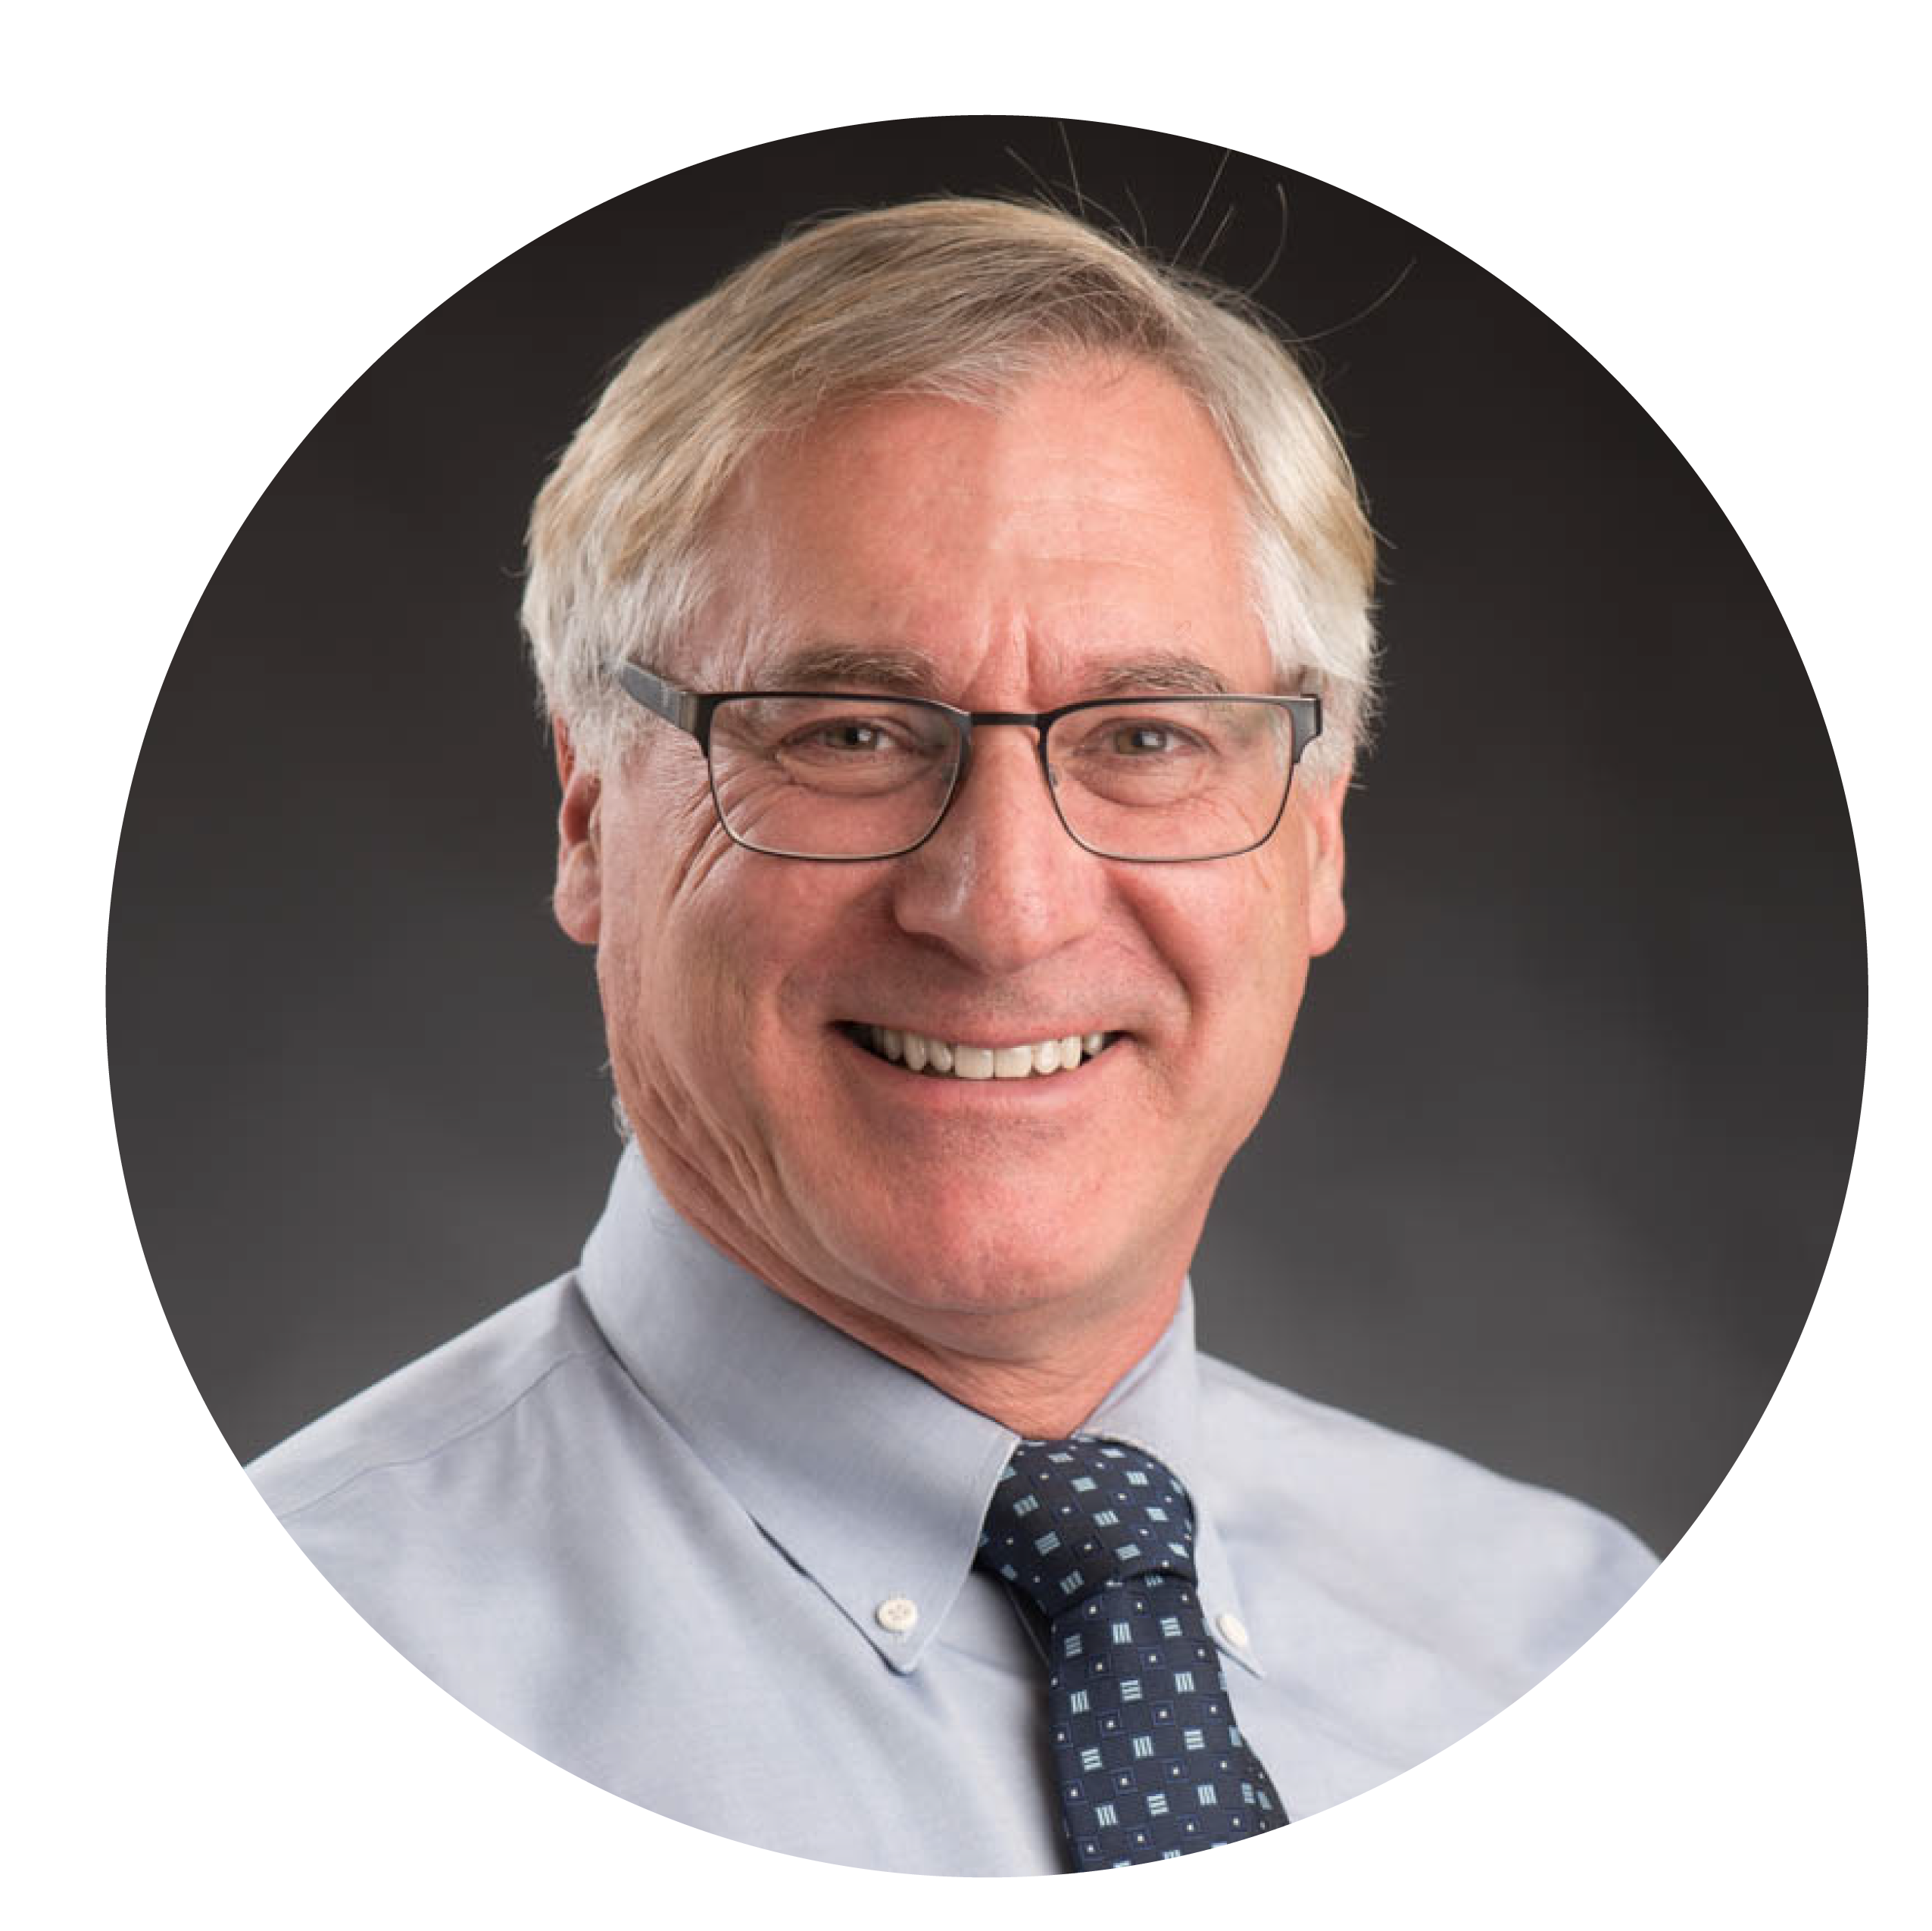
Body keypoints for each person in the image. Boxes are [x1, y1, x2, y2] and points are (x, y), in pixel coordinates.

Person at [247, 196, 1655, 1874]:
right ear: (588, 813)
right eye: (848, 732)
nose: (1005, 910)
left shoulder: (1546, 1623)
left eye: (1146, 736)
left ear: (1319, 836)